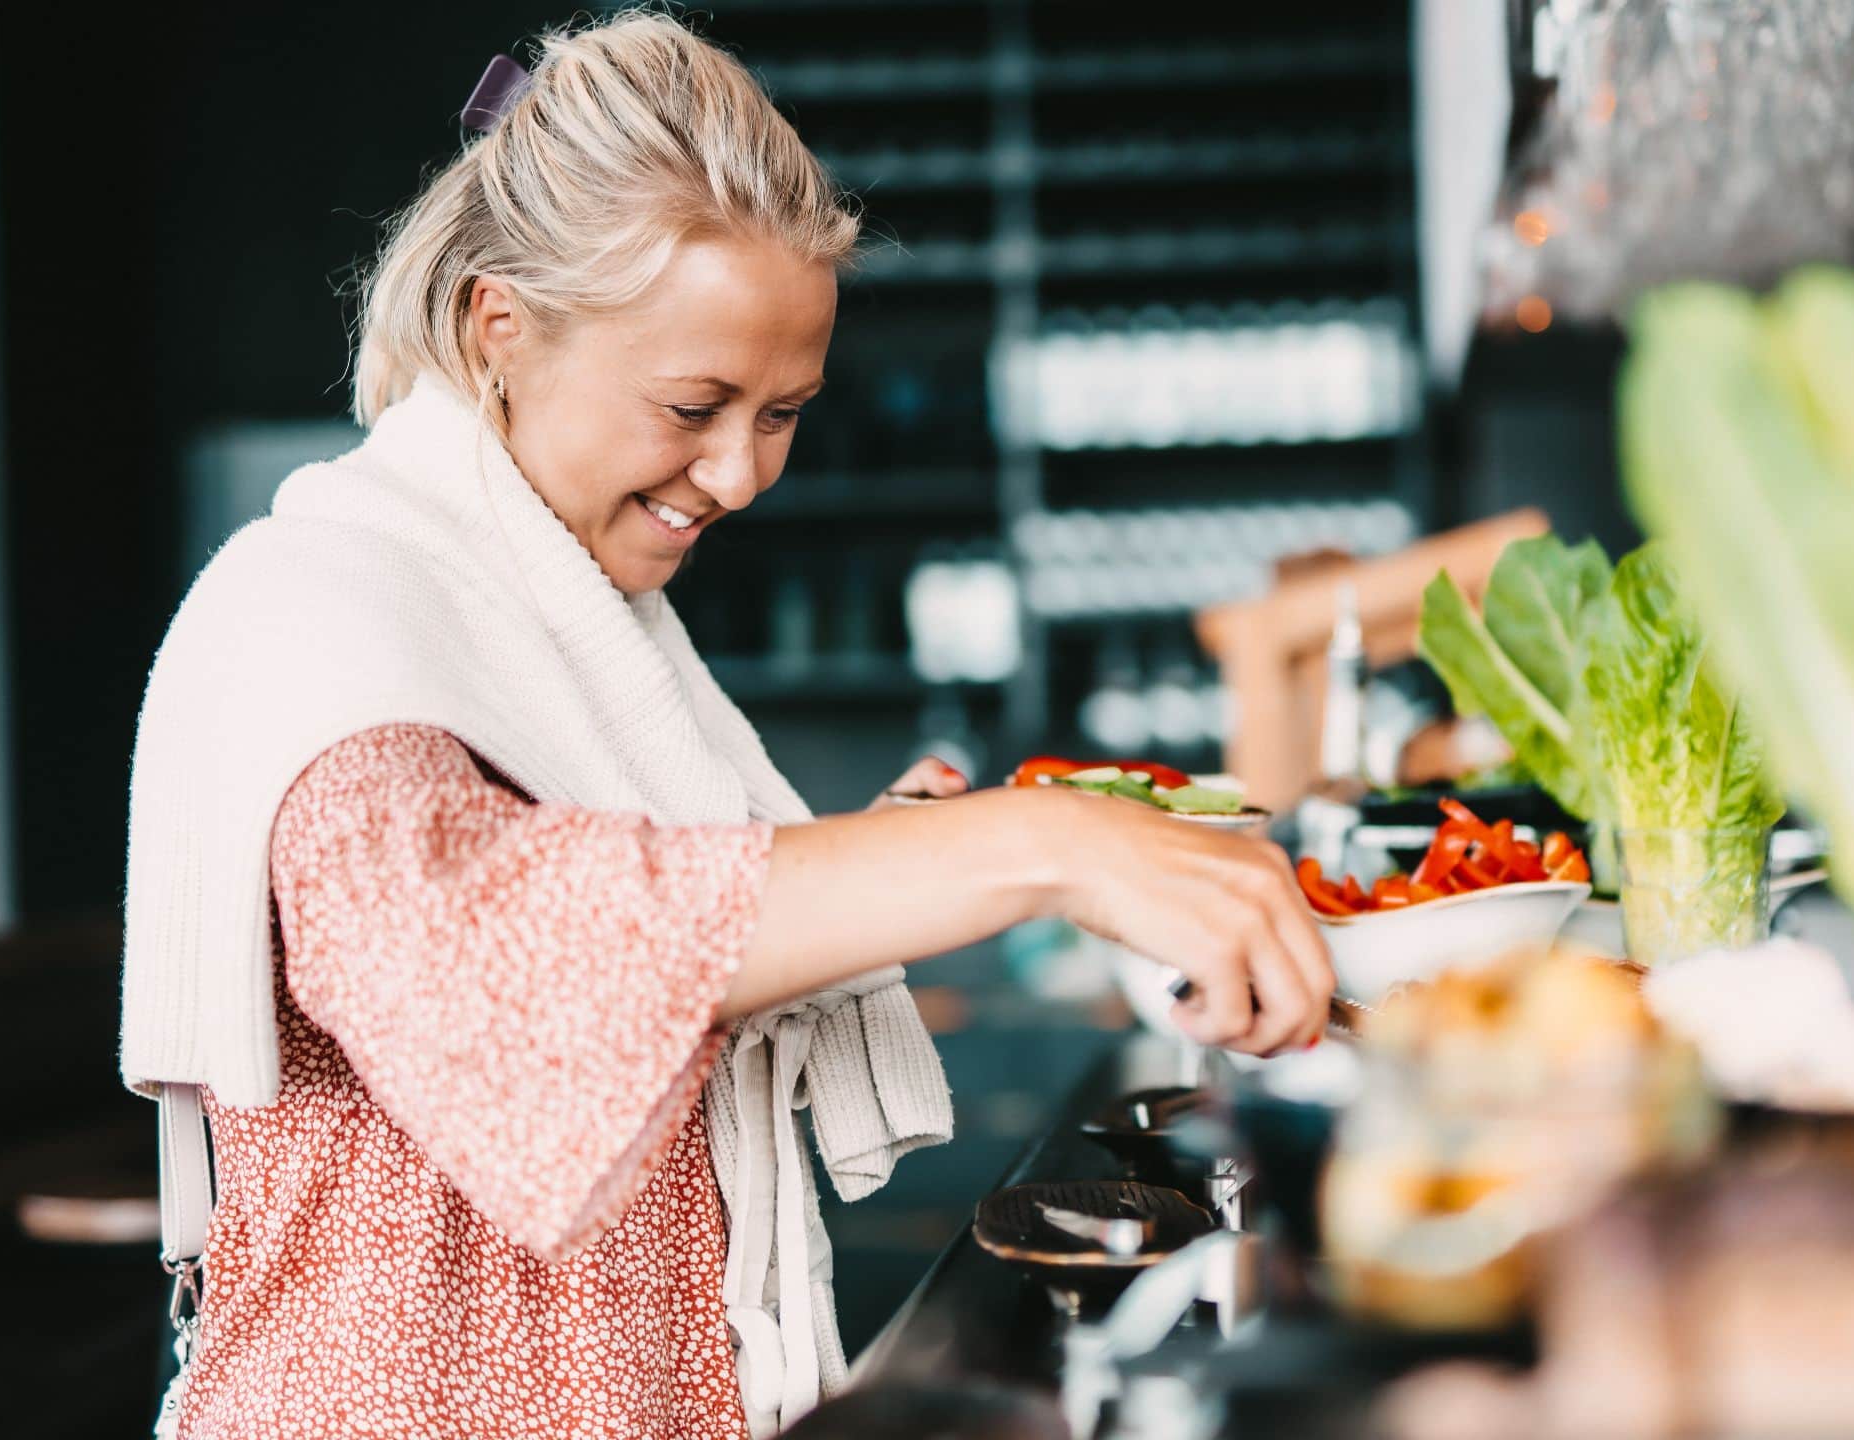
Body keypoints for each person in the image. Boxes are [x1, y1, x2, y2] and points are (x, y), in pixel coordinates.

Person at [116, 11, 1332, 1440]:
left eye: (784, 413)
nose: (741, 475)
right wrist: (1039, 845)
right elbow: (495, 970)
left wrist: (891, 870)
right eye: (696, 404)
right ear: (496, 321)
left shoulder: (574, 611)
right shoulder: (316, 608)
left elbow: (652, 940)